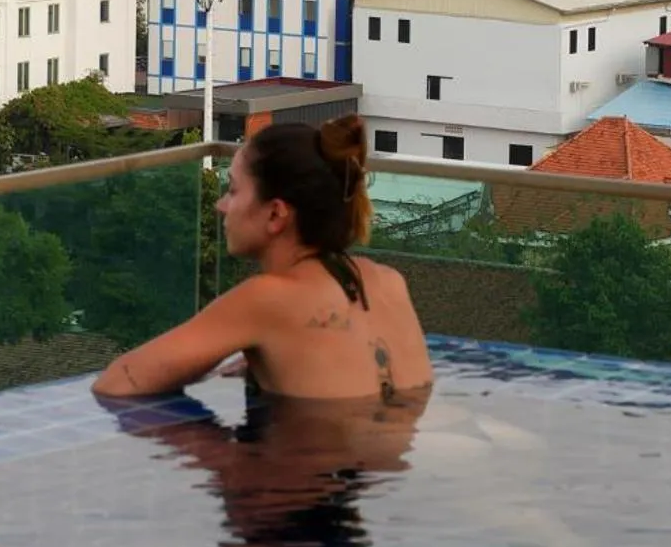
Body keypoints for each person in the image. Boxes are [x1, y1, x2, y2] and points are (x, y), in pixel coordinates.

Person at [92, 116, 433, 402]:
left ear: (275, 214)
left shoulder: (266, 298)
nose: (220, 205)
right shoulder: (390, 281)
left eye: (233, 190)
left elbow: (118, 383)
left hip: (315, 457)